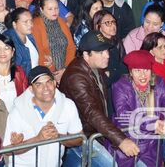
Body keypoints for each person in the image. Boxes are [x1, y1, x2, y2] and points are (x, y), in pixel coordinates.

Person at [60, 32, 140, 167]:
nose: (107, 55)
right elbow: (92, 112)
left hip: (94, 133)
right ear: (86, 54)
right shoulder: (76, 77)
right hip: (81, 138)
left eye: (107, 50)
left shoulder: (96, 67)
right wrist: (121, 140)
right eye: (101, 52)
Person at [111, 50, 165, 167]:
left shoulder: (159, 83)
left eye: (146, 70)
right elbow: (123, 114)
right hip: (127, 144)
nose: (143, 75)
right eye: (137, 71)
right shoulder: (120, 86)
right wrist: (152, 124)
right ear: (131, 72)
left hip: (151, 147)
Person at [4, 66, 83, 167]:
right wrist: (38, 139)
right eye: (38, 84)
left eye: (48, 82)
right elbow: (7, 150)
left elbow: (80, 138)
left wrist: (58, 137)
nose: (45, 88)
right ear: (31, 89)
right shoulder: (18, 111)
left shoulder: (67, 105)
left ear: (54, 83)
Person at [32, 0, 74, 81]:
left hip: (66, 70)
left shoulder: (62, 22)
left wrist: (65, 69)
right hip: (47, 73)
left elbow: (71, 47)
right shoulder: (35, 25)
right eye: (50, 9)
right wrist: (53, 73)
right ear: (41, 10)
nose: (54, 11)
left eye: (56, 8)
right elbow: (39, 52)